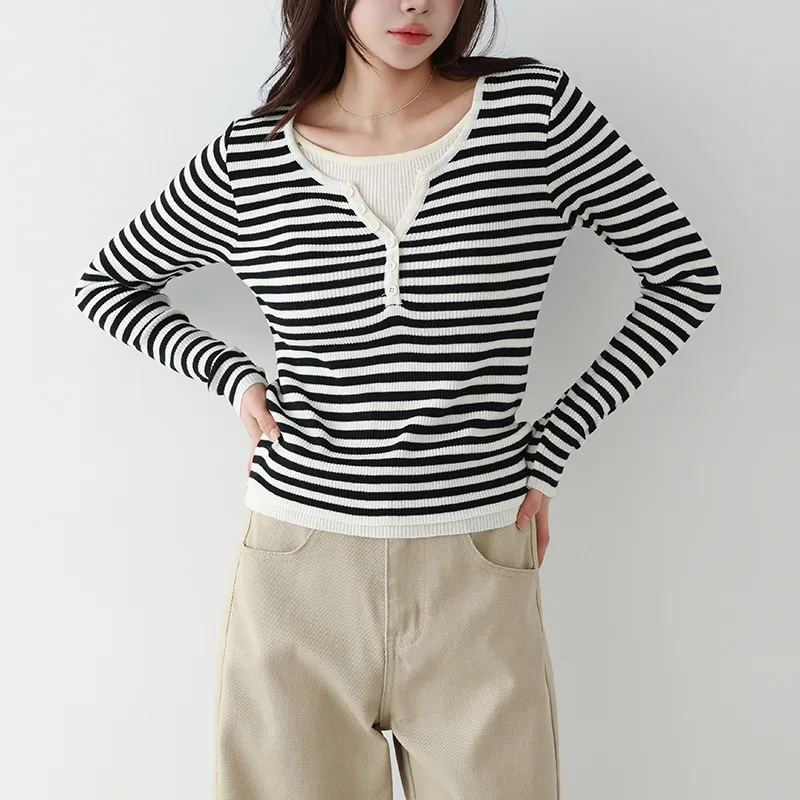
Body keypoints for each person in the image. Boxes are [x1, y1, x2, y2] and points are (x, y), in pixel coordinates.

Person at [74, 1, 722, 797]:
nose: (417, 4)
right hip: (297, 568)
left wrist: (552, 446)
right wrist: (232, 375)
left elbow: (684, 277)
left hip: (474, 561)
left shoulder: (536, 118)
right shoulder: (251, 158)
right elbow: (110, 285)